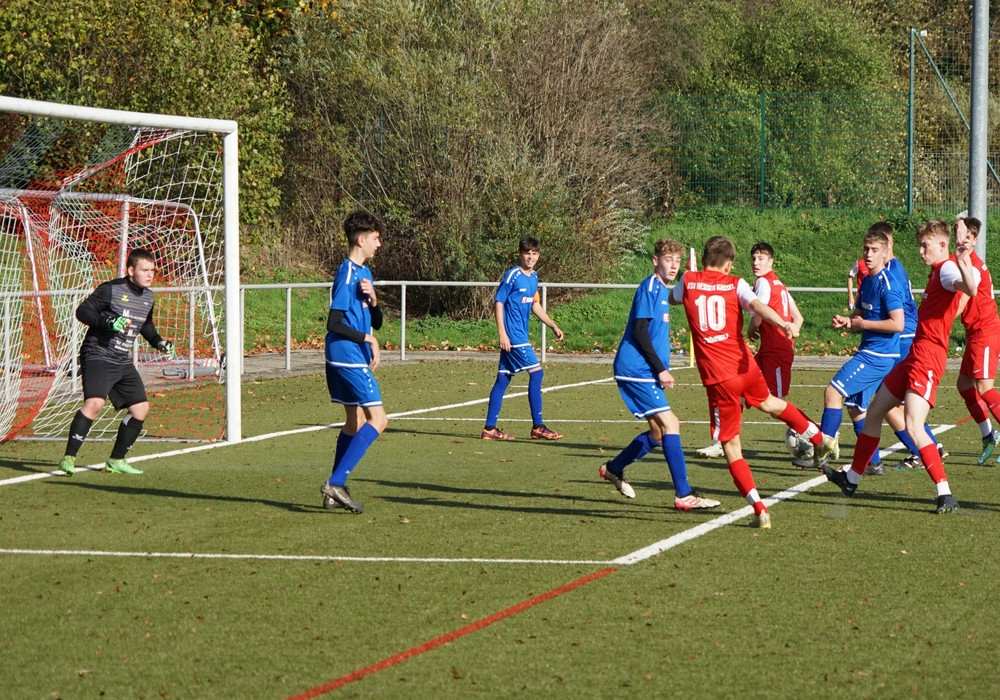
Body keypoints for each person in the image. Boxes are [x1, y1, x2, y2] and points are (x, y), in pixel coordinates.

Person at [670, 236, 834, 528]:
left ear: (705, 258)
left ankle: (759, 509)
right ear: (729, 264)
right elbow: (759, 307)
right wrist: (783, 323)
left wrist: (684, 278)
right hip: (746, 367)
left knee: (731, 446)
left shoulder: (689, 281)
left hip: (719, 378)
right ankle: (821, 439)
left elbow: (671, 297)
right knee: (771, 402)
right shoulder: (737, 283)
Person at [825, 219, 977, 514]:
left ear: (942, 245)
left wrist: (961, 257)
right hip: (913, 356)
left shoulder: (947, 269)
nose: (920, 251)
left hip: (927, 358)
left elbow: (969, 287)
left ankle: (945, 494)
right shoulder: (937, 271)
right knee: (875, 412)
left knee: (913, 425)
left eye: (925, 245)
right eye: (920, 245)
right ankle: (851, 480)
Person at [599, 238, 720, 511]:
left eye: (677, 261)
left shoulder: (662, 290)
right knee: (671, 423)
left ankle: (614, 468)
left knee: (657, 433)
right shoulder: (650, 287)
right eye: (668, 260)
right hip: (637, 370)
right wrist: (661, 369)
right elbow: (640, 331)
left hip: (644, 371)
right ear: (656, 261)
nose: (673, 265)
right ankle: (684, 494)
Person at [57, 248, 175, 476]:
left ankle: (116, 460)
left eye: (152, 270)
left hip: (121, 358)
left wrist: (159, 342)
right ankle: (68, 458)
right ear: (131, 270)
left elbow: (145, 324)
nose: (150, 274)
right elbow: (82, 312)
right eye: (144, 270)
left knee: (140, 409)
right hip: (98, 353)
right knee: (95, 404)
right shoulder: (111, 289)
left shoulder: (148, 297)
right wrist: (108, 322)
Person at [697, 241, 803, 460]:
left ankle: (816, 435)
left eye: (761, 258)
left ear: (771, 262)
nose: (756, 262)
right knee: (738, 392)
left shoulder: (764, 282)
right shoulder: (778, 284)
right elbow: (798, 318)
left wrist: (752, 328)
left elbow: (759, 312)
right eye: (754, 258)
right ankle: (723, 442)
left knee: (778, 404)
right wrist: (793, 329)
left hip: (776, 351)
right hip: (768, 351)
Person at [816, 229, 904, 474]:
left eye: (875, 250)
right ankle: (873, 463)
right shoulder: (867, 281)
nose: (869, 254)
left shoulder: (888, 283)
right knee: (855, 408)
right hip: (871, 351)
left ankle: (820, 453)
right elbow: (861, 315)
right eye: (866, 249)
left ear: (885, 253)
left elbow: (897, 324)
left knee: (833, 392)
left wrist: (863, 324)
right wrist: (847, 320)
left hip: (879, 355)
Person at [320, 210, 388, 514]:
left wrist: (374, 300)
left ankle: (333, 492)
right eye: (375, 238)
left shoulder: (365, 274)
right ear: (361, 240)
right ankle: (336, 482)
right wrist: (367, 339)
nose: (378, 244)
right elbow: (334, 322)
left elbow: (378, 321)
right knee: (379, 420)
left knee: (355, 421)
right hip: (345, 353)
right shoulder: (346, 273)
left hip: (349, 354)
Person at [481, 237, 564, 441]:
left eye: (534, 253)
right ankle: (538, 427)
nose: (530, 257)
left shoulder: (534, 277)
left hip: (519, 335)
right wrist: (502, 333)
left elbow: (535, 305)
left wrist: (552, 325)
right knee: (537, 373)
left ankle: (489, 429)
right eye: (527, 253)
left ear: (539, 256)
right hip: (514, 336)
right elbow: (499, 303)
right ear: (520, 254)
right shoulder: (512, 275)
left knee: (503, 379)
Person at [951, 217, 1000, 464]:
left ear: (975, 240)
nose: (962, 241)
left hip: (985, 332)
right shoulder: (963, 264)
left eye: (968, 237)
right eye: (960, 236)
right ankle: (989, 435)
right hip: (974, 334)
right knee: (963, 385)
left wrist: (938, 323)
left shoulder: (975, 269)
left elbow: (961, 303)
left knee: (985, 388)